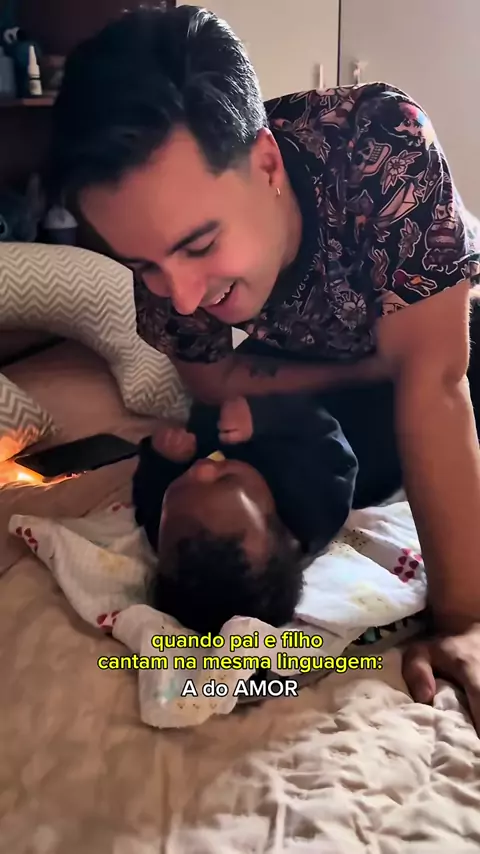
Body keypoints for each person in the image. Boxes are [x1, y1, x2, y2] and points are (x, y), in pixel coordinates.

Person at [51, 6, 480, 729]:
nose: (183, 298)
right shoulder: (167, 256)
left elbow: (435, 383)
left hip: (440, 331)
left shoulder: (382, 144)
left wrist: (465, 618)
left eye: (199, 246)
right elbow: (210, 381)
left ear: (268, 165)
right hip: (328, 365)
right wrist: (362, 372)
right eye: (144, 265)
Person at [132, 375, 400, 635]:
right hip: (344, 416)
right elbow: (324, 434)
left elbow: (149, 493)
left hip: (233, 406)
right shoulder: (316, 504)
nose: (202, 469)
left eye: (178, 489)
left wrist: (164, 457)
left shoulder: (174, 537)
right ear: (282, 527)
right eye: (227, 478)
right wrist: (265, 416)